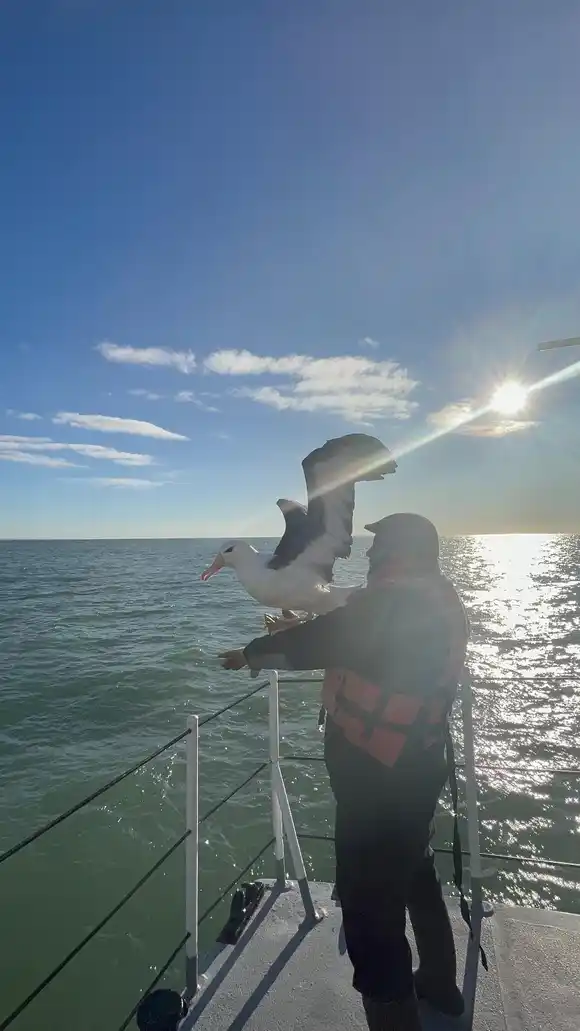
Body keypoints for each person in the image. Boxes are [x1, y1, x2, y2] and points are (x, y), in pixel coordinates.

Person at [219, 513, 468, 1031]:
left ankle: (396, 1019)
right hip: (419, 768)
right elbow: (358, 633)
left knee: (369, 915)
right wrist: (298, 628)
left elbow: (334, 635)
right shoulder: (432, 596)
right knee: (416, 870)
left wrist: (251, 654)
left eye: (380, 545)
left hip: (378, 783)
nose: (370, 554)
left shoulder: (395, 600)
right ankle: (441, 983)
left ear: (397, 551)